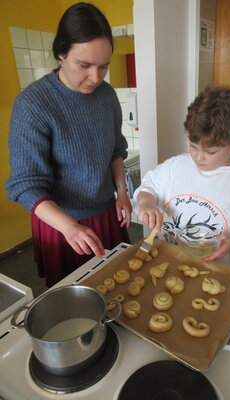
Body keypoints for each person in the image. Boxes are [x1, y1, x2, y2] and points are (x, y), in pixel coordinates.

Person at [6, 2, 132, 287]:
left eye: (104, 66)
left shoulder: (107, 95)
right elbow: (25, 186)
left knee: (118, 287)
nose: (96, 77)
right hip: (61, 224)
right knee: (74, 301)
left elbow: (115, 150)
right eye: (85, 65)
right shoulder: (34, 104)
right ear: (61, 54)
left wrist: (122, 191)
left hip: (105, 214)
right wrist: (69, 227)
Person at [133, 85, 230, 268]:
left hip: (219, 272)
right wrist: (146, 203)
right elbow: (149, 187)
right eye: (193, 145)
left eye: (210, 152)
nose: (198, 157)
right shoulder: (174, 167)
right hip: (168, 263)